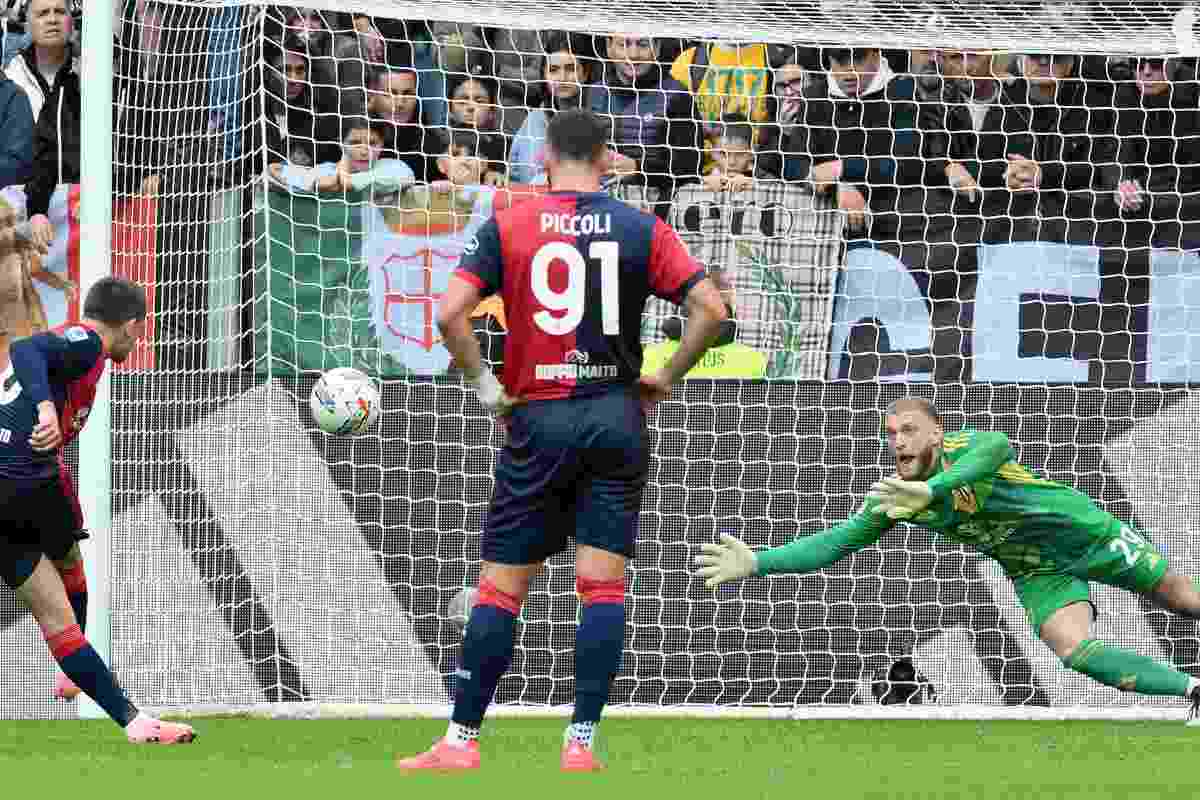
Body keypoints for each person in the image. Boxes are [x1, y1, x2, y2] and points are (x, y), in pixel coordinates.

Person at [397, 109, 727, 772]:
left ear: (545, 158)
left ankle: (461, 743)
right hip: (615, 414)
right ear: (606, 158)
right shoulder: (642, 227)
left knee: (502, 589)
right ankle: (579, 745)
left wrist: (487, 388)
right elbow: (714, 311)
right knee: (602, 586)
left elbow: (450, 314)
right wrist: (665, 373)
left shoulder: (510, 223)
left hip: (539, 419)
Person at [693, 397, 1200, 720]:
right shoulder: (895, 494)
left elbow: (997, 448)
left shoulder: (968, 448)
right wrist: (759, 562)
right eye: (891, 433)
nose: (898, 441)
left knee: (1180, 596)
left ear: (937, 434)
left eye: (909, 430)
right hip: (1035, 569)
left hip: (1084, 534)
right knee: (1072, 650)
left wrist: (932, 490)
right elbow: (834, 543)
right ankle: (1192, 689)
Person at [0, 276, 196, 743]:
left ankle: (131, 720)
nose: (138, 338)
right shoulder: (86, 342)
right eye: (140, 330)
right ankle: (93, 684)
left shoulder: (85, 354)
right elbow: (25, 348)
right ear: (129, 325)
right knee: (69, 568)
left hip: (16, 489)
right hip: (20, 482)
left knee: (58, 611)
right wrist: (46, 410)